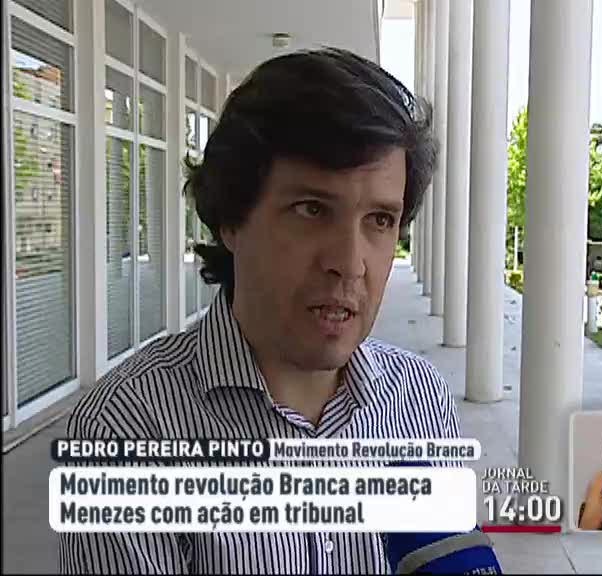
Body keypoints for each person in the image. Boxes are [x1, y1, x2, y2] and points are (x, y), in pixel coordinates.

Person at [59, 48, 452, 574]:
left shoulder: (421, 400)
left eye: (380, 220)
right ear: (232, 219)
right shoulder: (129, 430)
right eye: (312, 209)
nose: (350, 263)